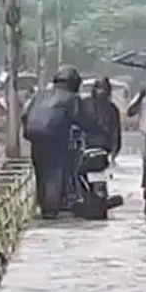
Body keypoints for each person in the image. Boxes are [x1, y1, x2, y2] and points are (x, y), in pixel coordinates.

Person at [22, 65, 99, 218]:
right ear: (75, 83)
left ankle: (44, 206)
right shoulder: (72, 98)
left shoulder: (40, 94)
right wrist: (95, 128)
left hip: (34, 135)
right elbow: (84, 119)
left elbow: (25, 114)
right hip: (54, 137)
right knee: (54, 171)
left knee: (41, 171)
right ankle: (51, 210)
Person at [84, 77, 122, 162]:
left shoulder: (112, 109)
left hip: (104, 151)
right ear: (94, 89)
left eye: (105, 89)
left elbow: (116, 132)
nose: (102, 91)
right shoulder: (85, 104)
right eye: (100, 88)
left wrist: (113, 154)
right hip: (86, 148)